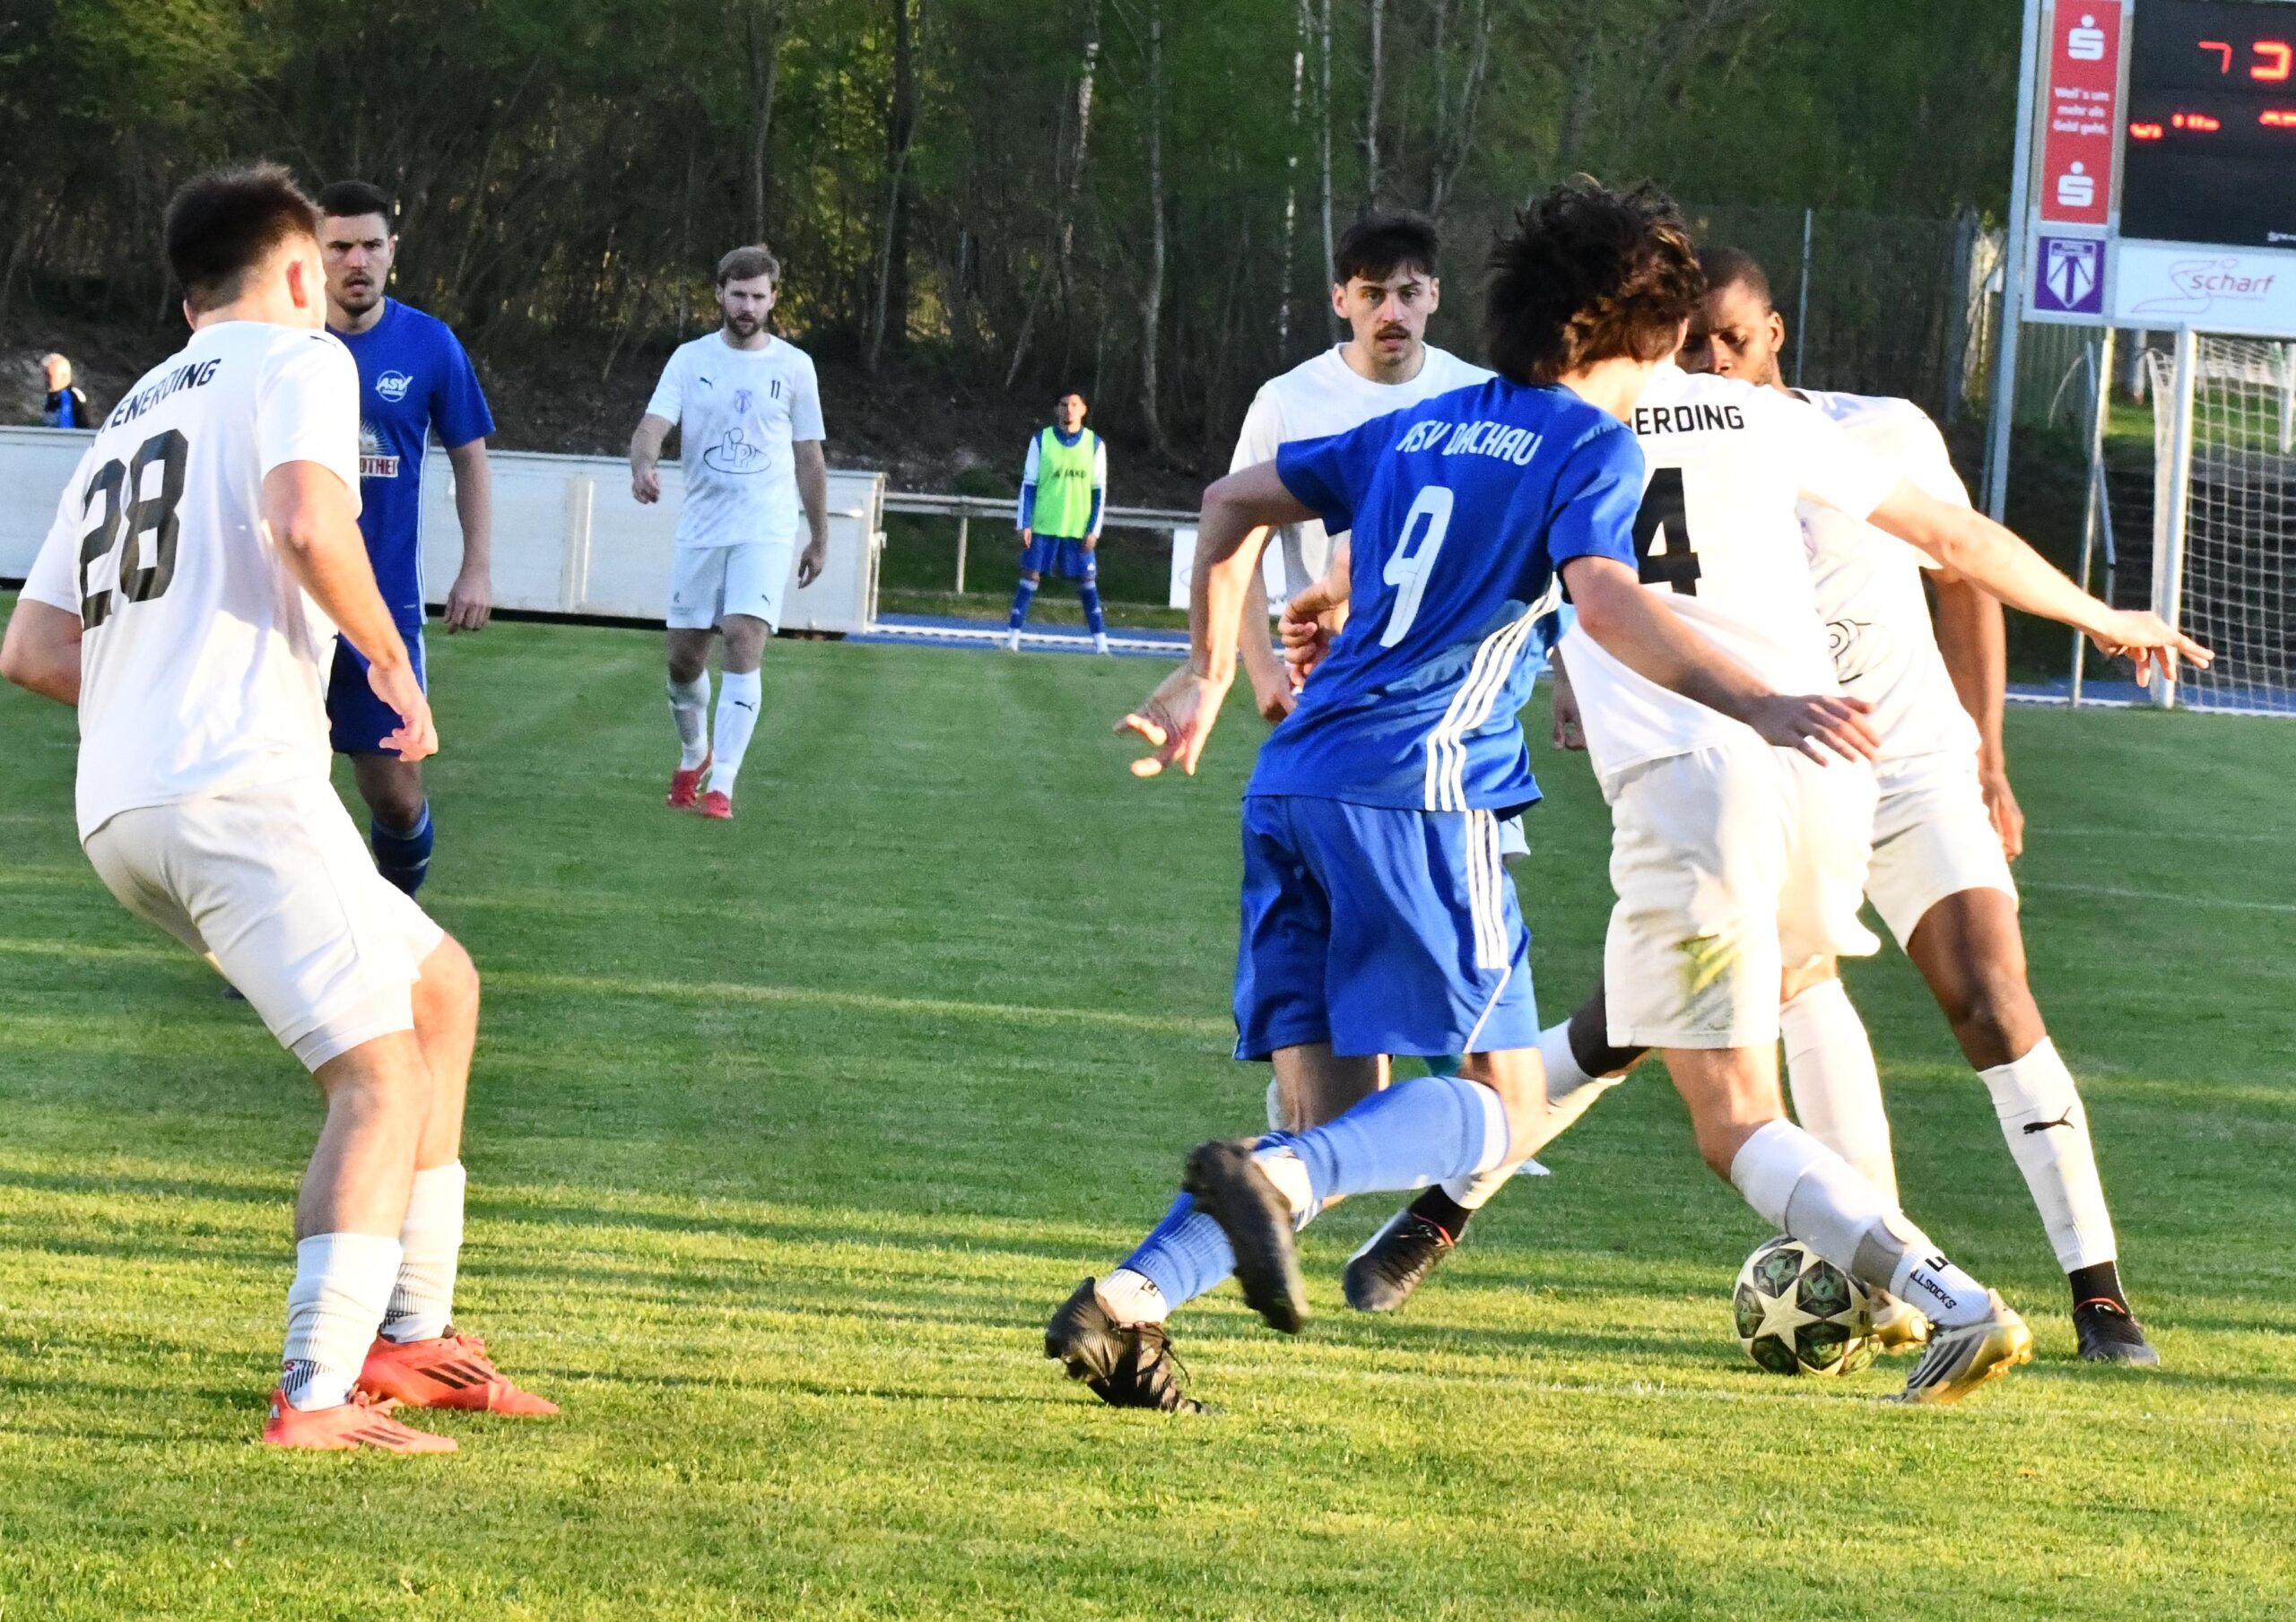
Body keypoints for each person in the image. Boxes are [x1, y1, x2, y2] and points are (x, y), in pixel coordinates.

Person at [1045, 178, 1996, 1413]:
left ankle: (1127, 1304)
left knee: (1340, 1126)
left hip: (1295, 783)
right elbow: (1604, 600)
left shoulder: (1426, 420)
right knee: (1495, 1112)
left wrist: (1210, 671)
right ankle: (1259, 1180)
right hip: (1423, 793)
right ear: (1653, 332)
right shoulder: (1591, 443)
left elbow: (1230, 504)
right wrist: (1759, 701)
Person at [1345, 247, 2164, 1366]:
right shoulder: (1738, 422)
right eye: (1694, 338)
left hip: (1770, 767)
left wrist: (1986, 753)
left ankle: (1960, 1292)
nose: (1711, 355)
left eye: (1731, 337)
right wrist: (2102, 617)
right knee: (1664, 1016)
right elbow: (1955, 544)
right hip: (1810, 765)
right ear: (1663, 334)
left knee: (1764, 1076)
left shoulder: (1589, 433)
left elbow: (1949, 562)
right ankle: (1450, 1212)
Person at [0, 165, 552, 1452]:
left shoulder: (128, 409)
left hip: (126, 807)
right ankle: (313, 1390)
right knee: (380, 1076)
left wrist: (159, 695)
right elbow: (308, 519)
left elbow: (31, 647)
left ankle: (411, 1338)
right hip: (236, 788)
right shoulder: (304, 361)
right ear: (301, 269)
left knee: (440, 988)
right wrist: (390, 659)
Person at [1228, 211, 1492, 725]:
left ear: (1434, 295)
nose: (1392, 313)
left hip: (1451, 692)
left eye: (1409, 293)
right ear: (1340, 300)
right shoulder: (1286, 403)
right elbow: (1238, 544)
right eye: (1372, 294)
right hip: (1329, 679)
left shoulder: (1479, 398)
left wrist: (1564, 674)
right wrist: (1262, 671)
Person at [316, 180, 496, 896]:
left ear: (393, 250)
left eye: (370, 245)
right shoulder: (282, 343)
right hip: (285, 603)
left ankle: (396, 922)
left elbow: (470, 456)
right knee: (271, 784)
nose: (356, 261)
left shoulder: (429, 343)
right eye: (339, 247)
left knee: (394, 794)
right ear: (313, 254)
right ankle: (277, 940)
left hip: (382, 604)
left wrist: (477, 566)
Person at [631, 243, 829, 821]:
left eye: (757, 296)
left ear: (773, 300)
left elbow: (810, 457)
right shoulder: (690, 359)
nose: (747, 306)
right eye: (738, 294)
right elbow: (651, 427)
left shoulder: (795, 367)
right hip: (702, 528)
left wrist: (819, 536)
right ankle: (696, 753)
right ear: (719, 294)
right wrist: (643, 466)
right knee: (683, 660)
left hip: (765, 528)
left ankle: (724, 783)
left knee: (743, 636)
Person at [1005, 389, 1109, 655]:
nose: (1069, 409)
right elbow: (1029, 484)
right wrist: (1024, 523)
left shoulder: (1095, 444)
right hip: (1044, 524)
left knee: (1087, 582)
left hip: (1077, 527)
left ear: (1083, 409)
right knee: (1030, 576)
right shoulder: (1041, 440)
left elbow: (1099, 492)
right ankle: (1012, 639)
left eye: (1074, 404)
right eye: (1064, 404)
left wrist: (1094, 530)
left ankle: (1101, 645)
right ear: (1057, 409)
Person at [41, 353, 91, 429]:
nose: (46, 380)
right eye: (45, 375)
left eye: (49, 376)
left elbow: (71, 428)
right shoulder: (51, 397)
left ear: (64, 376)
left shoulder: (71, 396)